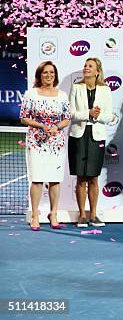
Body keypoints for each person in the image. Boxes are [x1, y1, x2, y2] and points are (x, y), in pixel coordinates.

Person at [19, 61, 71, 230]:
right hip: (36, 142)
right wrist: (41, 126)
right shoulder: (31, 94)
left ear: (55, 76)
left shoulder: (62, 95)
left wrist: (56, 127)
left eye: (51, 73)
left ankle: (53, 214)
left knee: (55, 180)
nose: (49, 76)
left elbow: (67, 118)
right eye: (45, 73)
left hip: (56, 142)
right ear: (39, 75)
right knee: (37, 179)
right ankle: (35, 215)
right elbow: (23, 117)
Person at [68, 58, 114, 228]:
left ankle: (93, 215)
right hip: (78, 135)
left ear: (97, 71)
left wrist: (97, 116)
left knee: (93, 177)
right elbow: (71, 113)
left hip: (97, 135)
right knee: (81, 177)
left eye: (90, 66)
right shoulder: (76, 87)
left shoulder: (105, 90)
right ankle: (82, 215)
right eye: (85, 66)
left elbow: (109, 116)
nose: (86, 68)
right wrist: (88, 113)